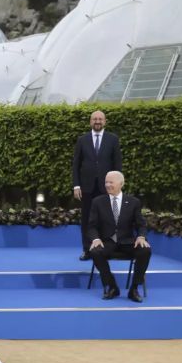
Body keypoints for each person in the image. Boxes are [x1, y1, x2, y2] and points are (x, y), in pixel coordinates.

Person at [87, 171, 151, 303]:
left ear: (121, 183)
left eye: (111, 182)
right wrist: (96, 239)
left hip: (127, 242)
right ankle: (112, 286)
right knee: (95, 252)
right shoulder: (97, 202)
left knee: (145, 250)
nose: (108, 185)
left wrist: (141, 237)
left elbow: (141, 224)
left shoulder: (134, 202)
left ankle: (134, 289)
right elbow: (91, 226)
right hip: (107, 242)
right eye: (106, 182)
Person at [72, 110, 121, 261]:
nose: (97, 121)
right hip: (86, 188)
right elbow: (76, 164)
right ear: (90, 122)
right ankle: (87, 250)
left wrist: (117, 185)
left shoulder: (113, 139)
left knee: (107, 219)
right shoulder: (82, 140)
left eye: (100, 119)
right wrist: (76, 186)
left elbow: (117, 163)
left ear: (105, 121)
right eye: (94, 119)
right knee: (87, 219)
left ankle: (106, 250)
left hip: (107, 187)